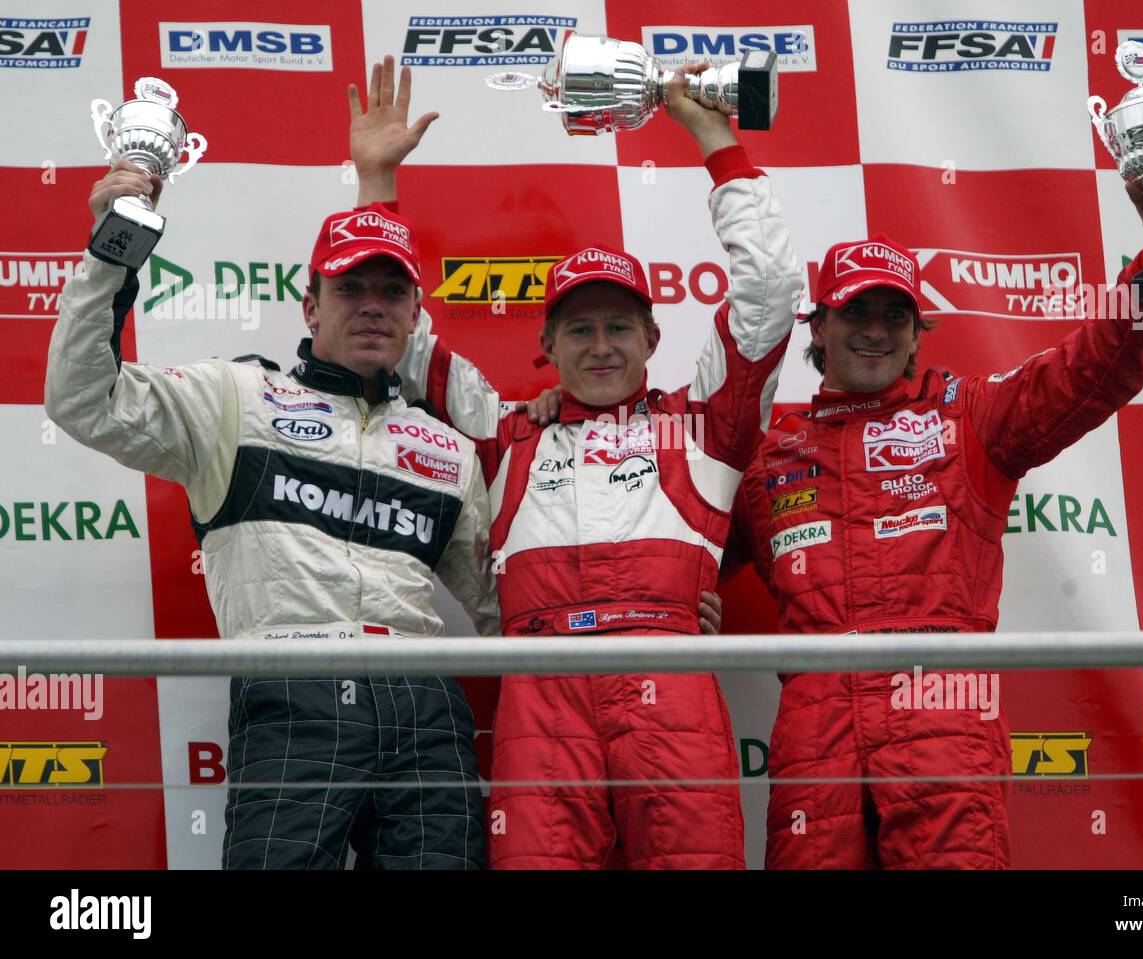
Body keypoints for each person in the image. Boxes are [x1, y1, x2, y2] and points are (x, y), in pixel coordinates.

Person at [348, 57, 803, 868]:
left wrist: (715, 140)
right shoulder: (507, 430)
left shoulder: (703, 428)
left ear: (653, 341)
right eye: (580, 329)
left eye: (619, 327)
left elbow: (768, 292)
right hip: (541, 693)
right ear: (546, 345)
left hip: (671, 689)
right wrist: (376, 183)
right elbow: (401, 339)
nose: (600, 346)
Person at [721, 179, 1143, 869]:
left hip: (943, 725)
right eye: (856, 309)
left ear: (919, 332)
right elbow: (676, 558)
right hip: (813, 740)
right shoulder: (770, 459)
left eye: (896, 314)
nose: (875, 329)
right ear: (817, 326)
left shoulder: (967, 418)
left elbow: (1087, 369)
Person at [45, 160, 500, 869]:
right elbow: (82, 398)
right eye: (349, 287)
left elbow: (507, 602)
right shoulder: (235, 399)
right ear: (311, 304)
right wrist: (113, 249)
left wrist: (652, 613)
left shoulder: (447, 448)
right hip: (296, 679)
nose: (372, 305)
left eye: (391, 291)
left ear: (417, 314)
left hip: (427, 700)